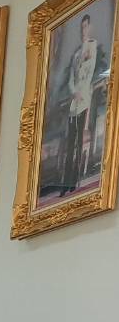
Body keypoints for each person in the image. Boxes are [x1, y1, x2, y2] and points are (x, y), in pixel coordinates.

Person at [61, 14, 100, 194]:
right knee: (70, 144)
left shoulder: (92, 46)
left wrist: (81, 92)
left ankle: (74, 181)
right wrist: (73, 91)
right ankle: (65, 183)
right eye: (81, 28)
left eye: (85, 27)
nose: (83, 31)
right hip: (74, 103)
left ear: (89, 28)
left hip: (84, 100)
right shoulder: (76, 54)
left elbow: (90, 71)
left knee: (78, 144)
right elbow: (71, 78)